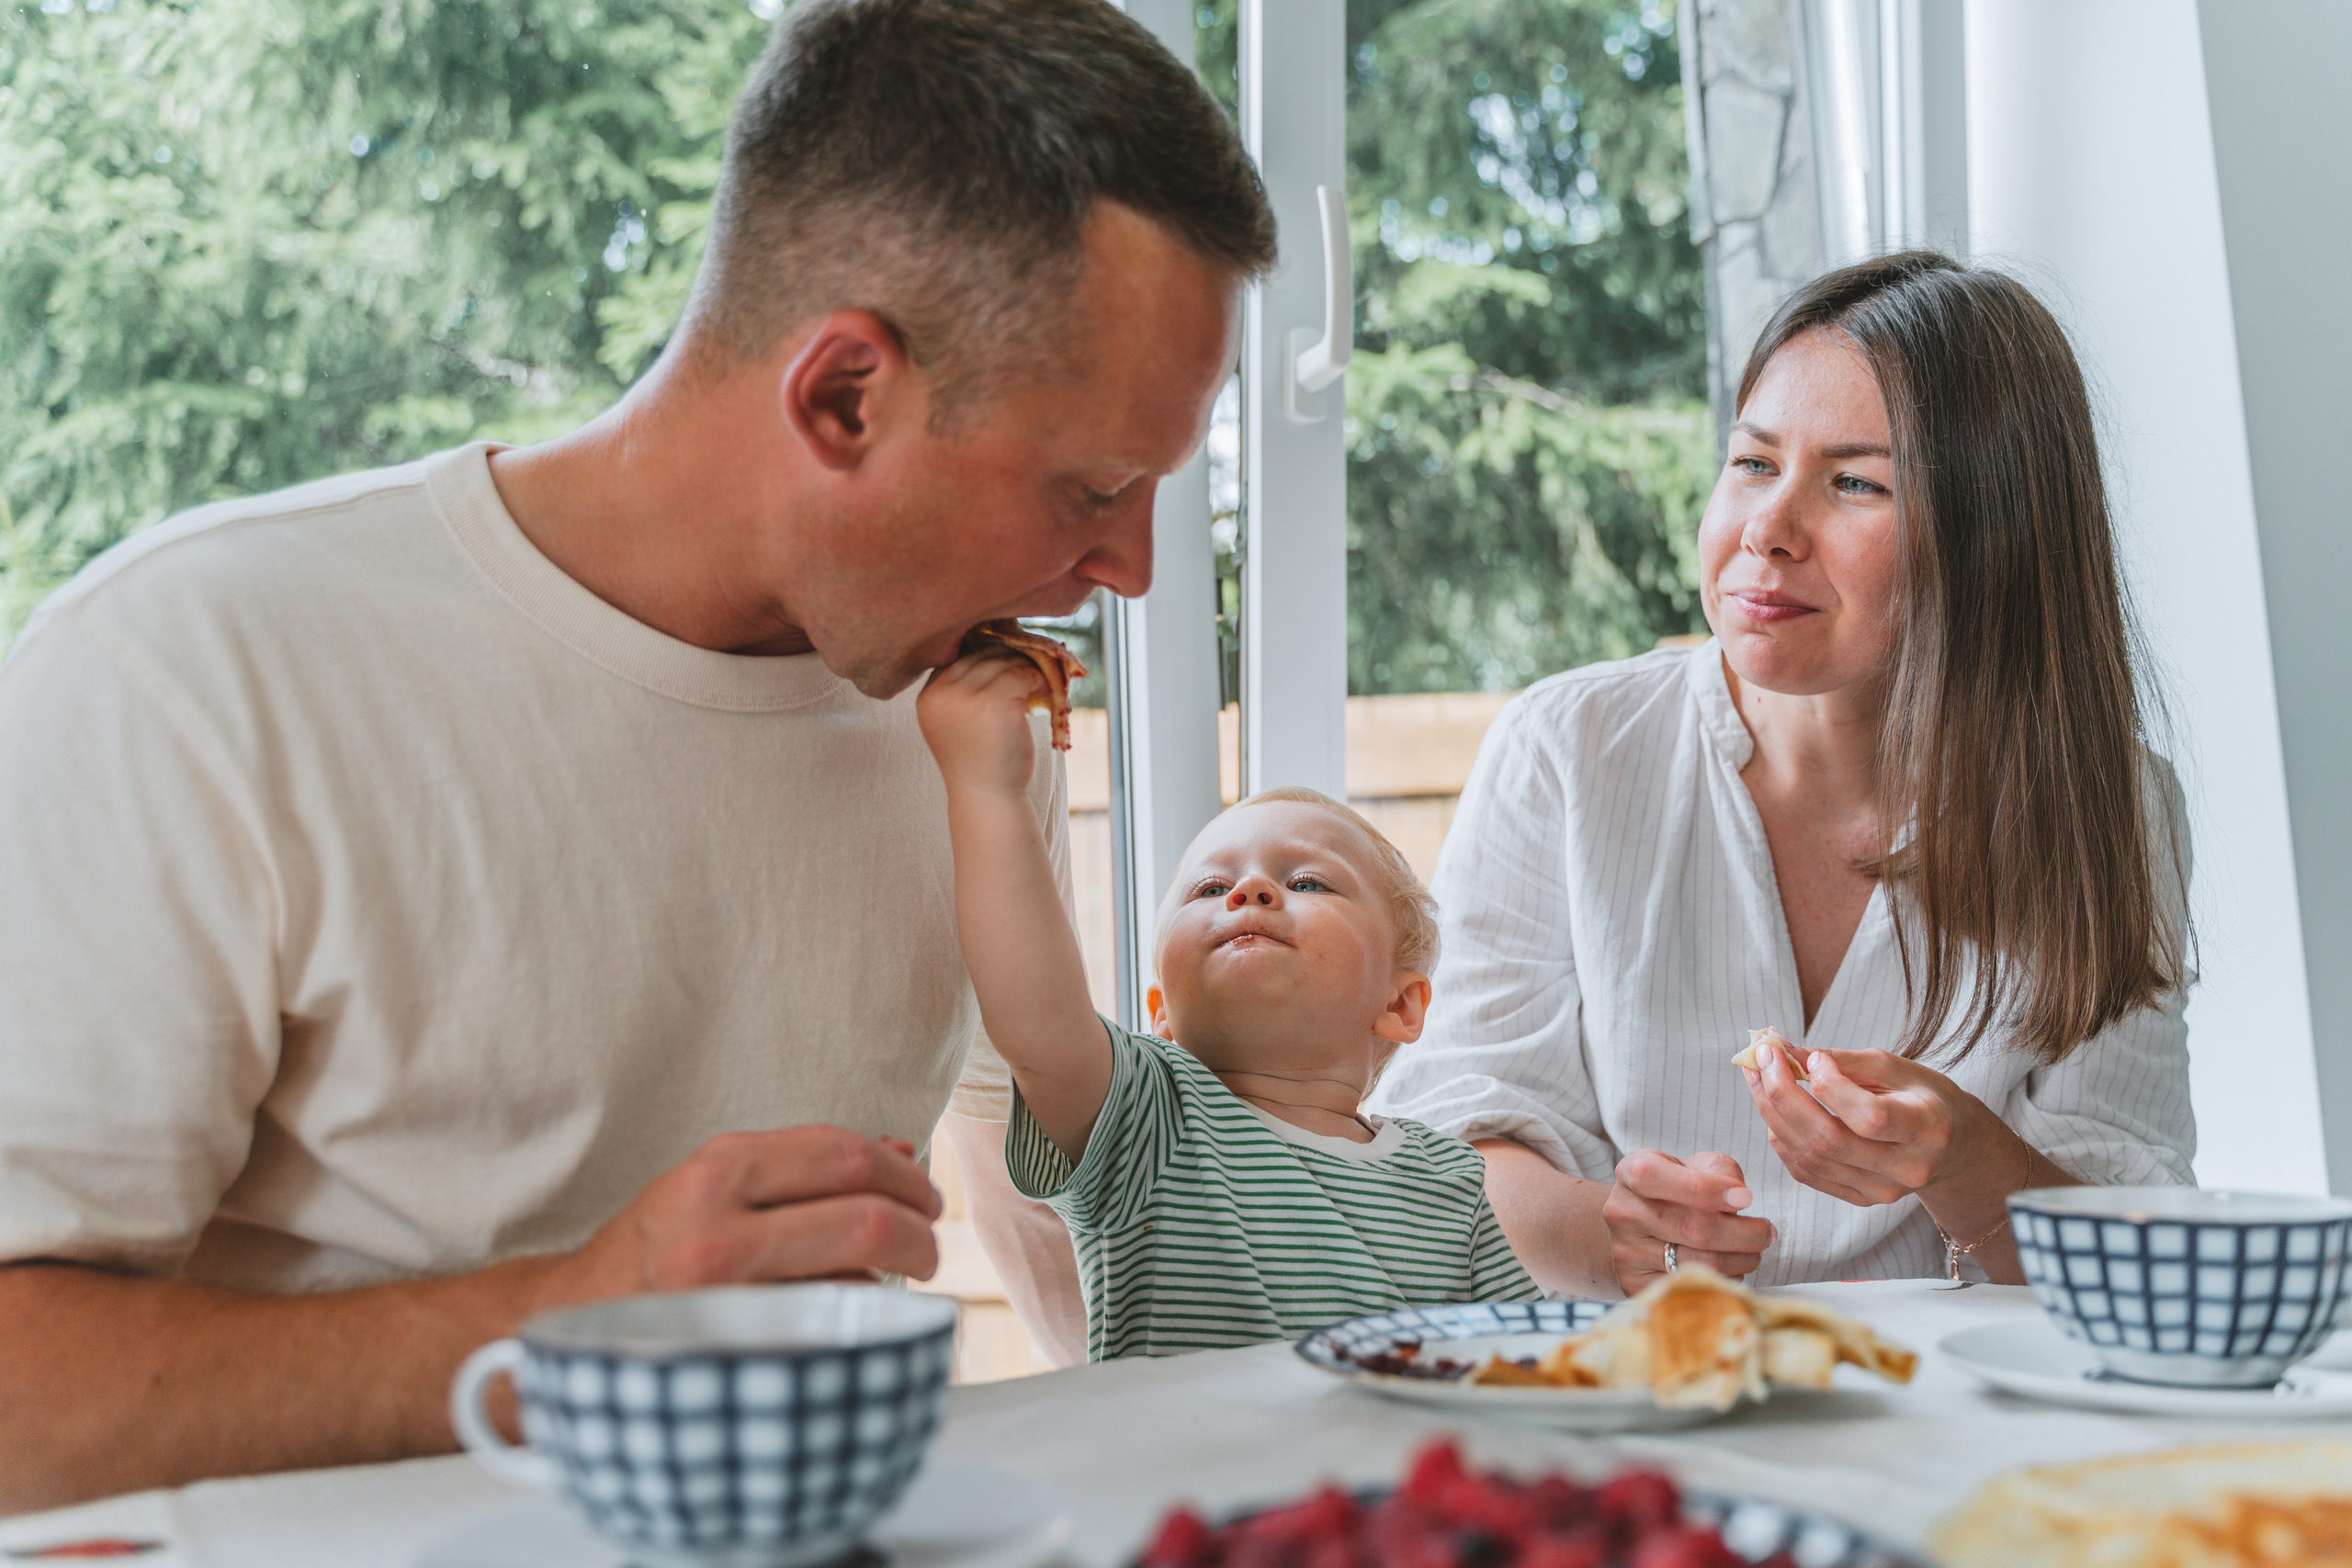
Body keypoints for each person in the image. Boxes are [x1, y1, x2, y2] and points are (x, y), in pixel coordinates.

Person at [0, 0, 1271, 1511]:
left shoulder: (957, 716)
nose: (1128, 569)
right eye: (1092, 486)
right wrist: (576, 1316)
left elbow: (1014, 1153)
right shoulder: (196, 667)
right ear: (842, 396)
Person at [1367, 252, 2194, 1301]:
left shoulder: (2110, 811)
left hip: (1952, 1411)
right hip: (1632, 1391)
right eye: (1753, 464)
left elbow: (2144, 1244)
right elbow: (1456, 1147)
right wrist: (1617, 1236)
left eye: (1854, 482)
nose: (1766, 529)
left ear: (1996, 538)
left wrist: (1963, 1159)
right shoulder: (1566, 749)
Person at [920, 641, 1539, 1359]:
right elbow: (1034, 1019)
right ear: (1161, 1015)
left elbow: (1522, 1366)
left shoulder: (1451, 1180)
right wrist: (988, 792)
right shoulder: (1146, 1114)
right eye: (1211, 890)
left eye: (1308, 882)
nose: (1250, 891)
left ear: (1401, 1004)